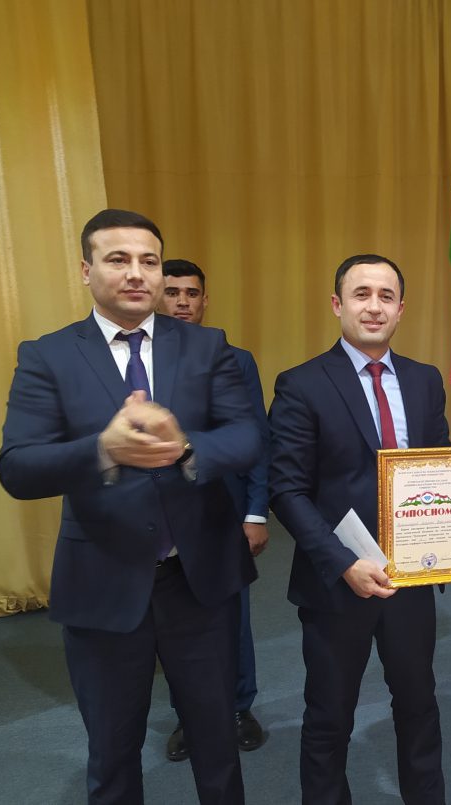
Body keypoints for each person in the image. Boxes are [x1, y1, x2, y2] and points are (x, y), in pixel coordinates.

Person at [0, 209, 261, 804]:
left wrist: (187, 446)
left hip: (198, 580)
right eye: (118, 259)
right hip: (103, 581)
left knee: (217, 743)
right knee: (113, 751)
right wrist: (103, 449)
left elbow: (247, 438)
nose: (137, 273)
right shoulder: (48, 356)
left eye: (149, 261)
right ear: (86, 269)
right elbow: (17, 467)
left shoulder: (206, 345)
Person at [267, 254, 451, 804]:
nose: (374, 306)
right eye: (361, 294)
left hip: (412, 579)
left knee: (419, 707)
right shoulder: (302, 384)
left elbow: (435, 463)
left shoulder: (423, 379)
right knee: (329, 716)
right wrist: (343, 562)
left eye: (386, 296)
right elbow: (286, 491)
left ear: (401, 309)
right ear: (337, 304)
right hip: (336, 582)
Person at [158, 259, 269, 758]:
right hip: (163, 518)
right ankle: (189, 717)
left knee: (231, 616)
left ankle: (240, 707)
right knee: (173, 623)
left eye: (192, 293)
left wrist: (256, 512)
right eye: (173, 292)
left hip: (223, 510)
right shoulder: (140, 363)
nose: (182, 301)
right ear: (156, 298)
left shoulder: (235, 360)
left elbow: (257, 441)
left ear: (205, 301)